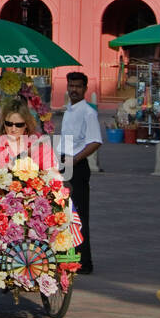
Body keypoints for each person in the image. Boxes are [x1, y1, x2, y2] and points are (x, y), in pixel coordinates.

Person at [60, 71, 101, 274]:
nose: (73, 90)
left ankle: (85, 262)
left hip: (77, 165)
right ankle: (69, 255)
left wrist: (76, 159)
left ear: (85, 89)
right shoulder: (69, 109)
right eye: (71, 85)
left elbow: (95, 141)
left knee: (79, 214)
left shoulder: (88, 112)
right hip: (64, 163)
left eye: (77, 86)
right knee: (65, 213)